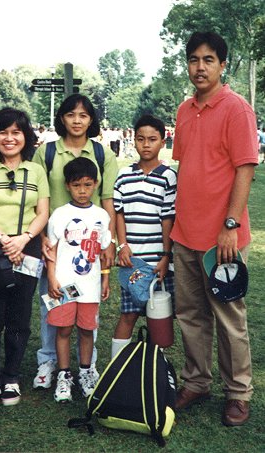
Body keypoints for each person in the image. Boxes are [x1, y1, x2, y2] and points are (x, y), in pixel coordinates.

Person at [170, 32, 258, 426]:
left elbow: (245, 169)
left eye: (208, 59)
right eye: (193, 59)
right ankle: (196, 381)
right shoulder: (184, 111)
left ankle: (238, 393)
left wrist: (230, 225)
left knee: (229, 318)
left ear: (223, 64)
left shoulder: (237, 109)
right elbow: (187, 168)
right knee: (190, 315)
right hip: (185, 233)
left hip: (221, 238)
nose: (200, 67)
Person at [32, 94, 118, 389]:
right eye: (71, 114)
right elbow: (37, 197)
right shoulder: (46, 152)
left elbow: (108, 200)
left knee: (86, 310)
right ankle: (48, 361)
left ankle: (87, 366)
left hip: (88, 245)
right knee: (52, 302)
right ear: (62, 118)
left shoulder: (102, 154)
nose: (77, 120)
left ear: (91, 119)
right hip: (53, 241)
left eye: (83, 115)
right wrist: (41, 236)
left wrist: (110, 243)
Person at [0, 108, 49, 408]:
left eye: (16, 132)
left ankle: (11, 375)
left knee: (19, 315)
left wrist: (24, 239)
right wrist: (4, 240)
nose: (9, 138)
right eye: (3, 132)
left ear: (26, 136)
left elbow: (42, 212)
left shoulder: (36, 171)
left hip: (26, 247)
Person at [46, 157, 111, 402]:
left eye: (87, 185)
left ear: (95, 184)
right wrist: (52, 278)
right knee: (63, 329)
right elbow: (50, 250)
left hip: (90, 286)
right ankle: (64, 376)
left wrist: (105, 279)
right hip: (64, 285)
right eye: (76, 185)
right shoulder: (59, 215)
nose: (82, 191)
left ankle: (85, 373)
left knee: (86, 330)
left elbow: (104, 252)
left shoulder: (102, 216)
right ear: (67, 186)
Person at [111, 114, 177, 358]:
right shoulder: (124, 175)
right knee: (127, 315)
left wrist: (165, 257)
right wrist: (122, 246)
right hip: (133, 261)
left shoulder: (169, 177)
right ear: (134, 140)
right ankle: (116, 371)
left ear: (162, 141)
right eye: (140, 139)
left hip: (159, 261)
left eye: (152, 139)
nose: (146, 144)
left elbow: (167, 218)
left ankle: (153, 371)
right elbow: (119, 213)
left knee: (159, 318)